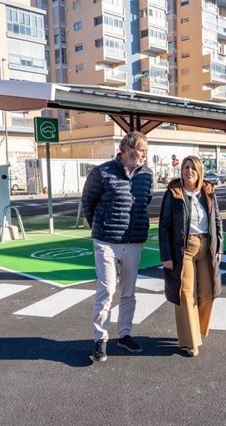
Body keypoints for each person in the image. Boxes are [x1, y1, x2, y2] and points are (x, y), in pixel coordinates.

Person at [82, 131, 153, 362]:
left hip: (134, 242)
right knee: (107, 290)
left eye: (145, 151)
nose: (144, 155)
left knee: (128, 292)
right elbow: (88, 201)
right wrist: (101, 228)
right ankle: (99, 339)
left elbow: (146, 201)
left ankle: (124, 335)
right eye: (142, 150)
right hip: (106, 243)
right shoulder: (102, 172)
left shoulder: (147, 175)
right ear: (127, 149)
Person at [159, 156, 223, 357]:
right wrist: (166, 255)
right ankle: (191, 341)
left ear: (199, 171)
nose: (189, 171)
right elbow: (164, 227)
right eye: (186, 167)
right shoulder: (174, 194)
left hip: (206, 248)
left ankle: (197, 328)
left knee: (206, 292)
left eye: (193, 168)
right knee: (186, 293)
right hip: (184, 250)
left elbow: (217, 220)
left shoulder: (208, 192)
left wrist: (219, 248)